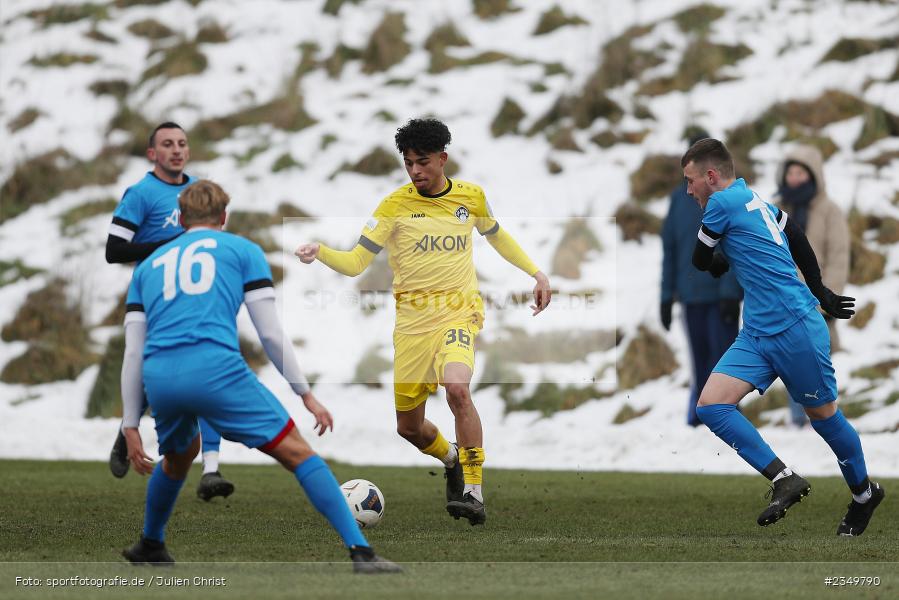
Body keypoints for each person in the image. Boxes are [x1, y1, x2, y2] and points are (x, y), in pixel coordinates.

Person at [119, 180, 400, 573]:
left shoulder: (148, 265)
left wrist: (130, 422)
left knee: (178, 457)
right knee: (299, 453)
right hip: (216, 370)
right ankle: (362, 553)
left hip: (160, 376)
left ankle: (151, 543)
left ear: (180, 219)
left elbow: (133, 350)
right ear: (223, 217)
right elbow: (269, 333)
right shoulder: (243, 251)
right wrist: (305, 394)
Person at [295, 118, 552, 526]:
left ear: (443, 159)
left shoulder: (472, 198)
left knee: (457, 390)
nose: (415, 171)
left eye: (423, 162)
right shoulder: (394, 206)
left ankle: (473, 491)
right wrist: (321, 252)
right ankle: (450, 458)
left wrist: (536, 273)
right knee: (409, 428)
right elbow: (356, 261)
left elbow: (497, 236)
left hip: (458, 313)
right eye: (408, 163)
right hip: (412, 326)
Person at [683, 138, 883, 536]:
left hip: (795, 328)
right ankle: (784, 478)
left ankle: (864, 494)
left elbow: (699, 258)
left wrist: (818, 294)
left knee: (824, 420)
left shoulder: (722, 203)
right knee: (710, 405)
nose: (688, 191)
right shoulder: (753, 198)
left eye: (690, 181)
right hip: (757, 332)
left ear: (710, 176)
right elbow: (795, 233)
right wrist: (820, 287)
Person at [105, 122, 234, 501]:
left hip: (196, 296)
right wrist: (171, 246)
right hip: (153, 297)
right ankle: (128, 426)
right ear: (152, 154)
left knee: (208, 366)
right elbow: (114, 250)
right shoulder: (141, 193)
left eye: (181, 143)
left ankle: (211, 468)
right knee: (152, 371)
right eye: (167, 144)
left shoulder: (199, 193)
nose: (176, 150)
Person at [661, 131, 742, 426]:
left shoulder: (728, 197)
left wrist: (731, 291)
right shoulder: (678, 199)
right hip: (690, 296)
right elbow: (669, 248)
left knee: (726, 368)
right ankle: (697, 422)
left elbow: (736, 246)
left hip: (721, 297)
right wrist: (665, 297)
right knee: (699, 364)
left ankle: (730, 423)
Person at [773, 145, 850, 428]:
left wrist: (827, 299)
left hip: (818, 305)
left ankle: (826, 422)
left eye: (800, 172)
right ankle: (798, 423)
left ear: (813, 175)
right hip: (784, 303)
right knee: (790, 365)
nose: (794, 177)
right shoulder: (776, 209)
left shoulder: (830, 211)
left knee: (817, 367)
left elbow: (838, 257)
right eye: (790, 172)